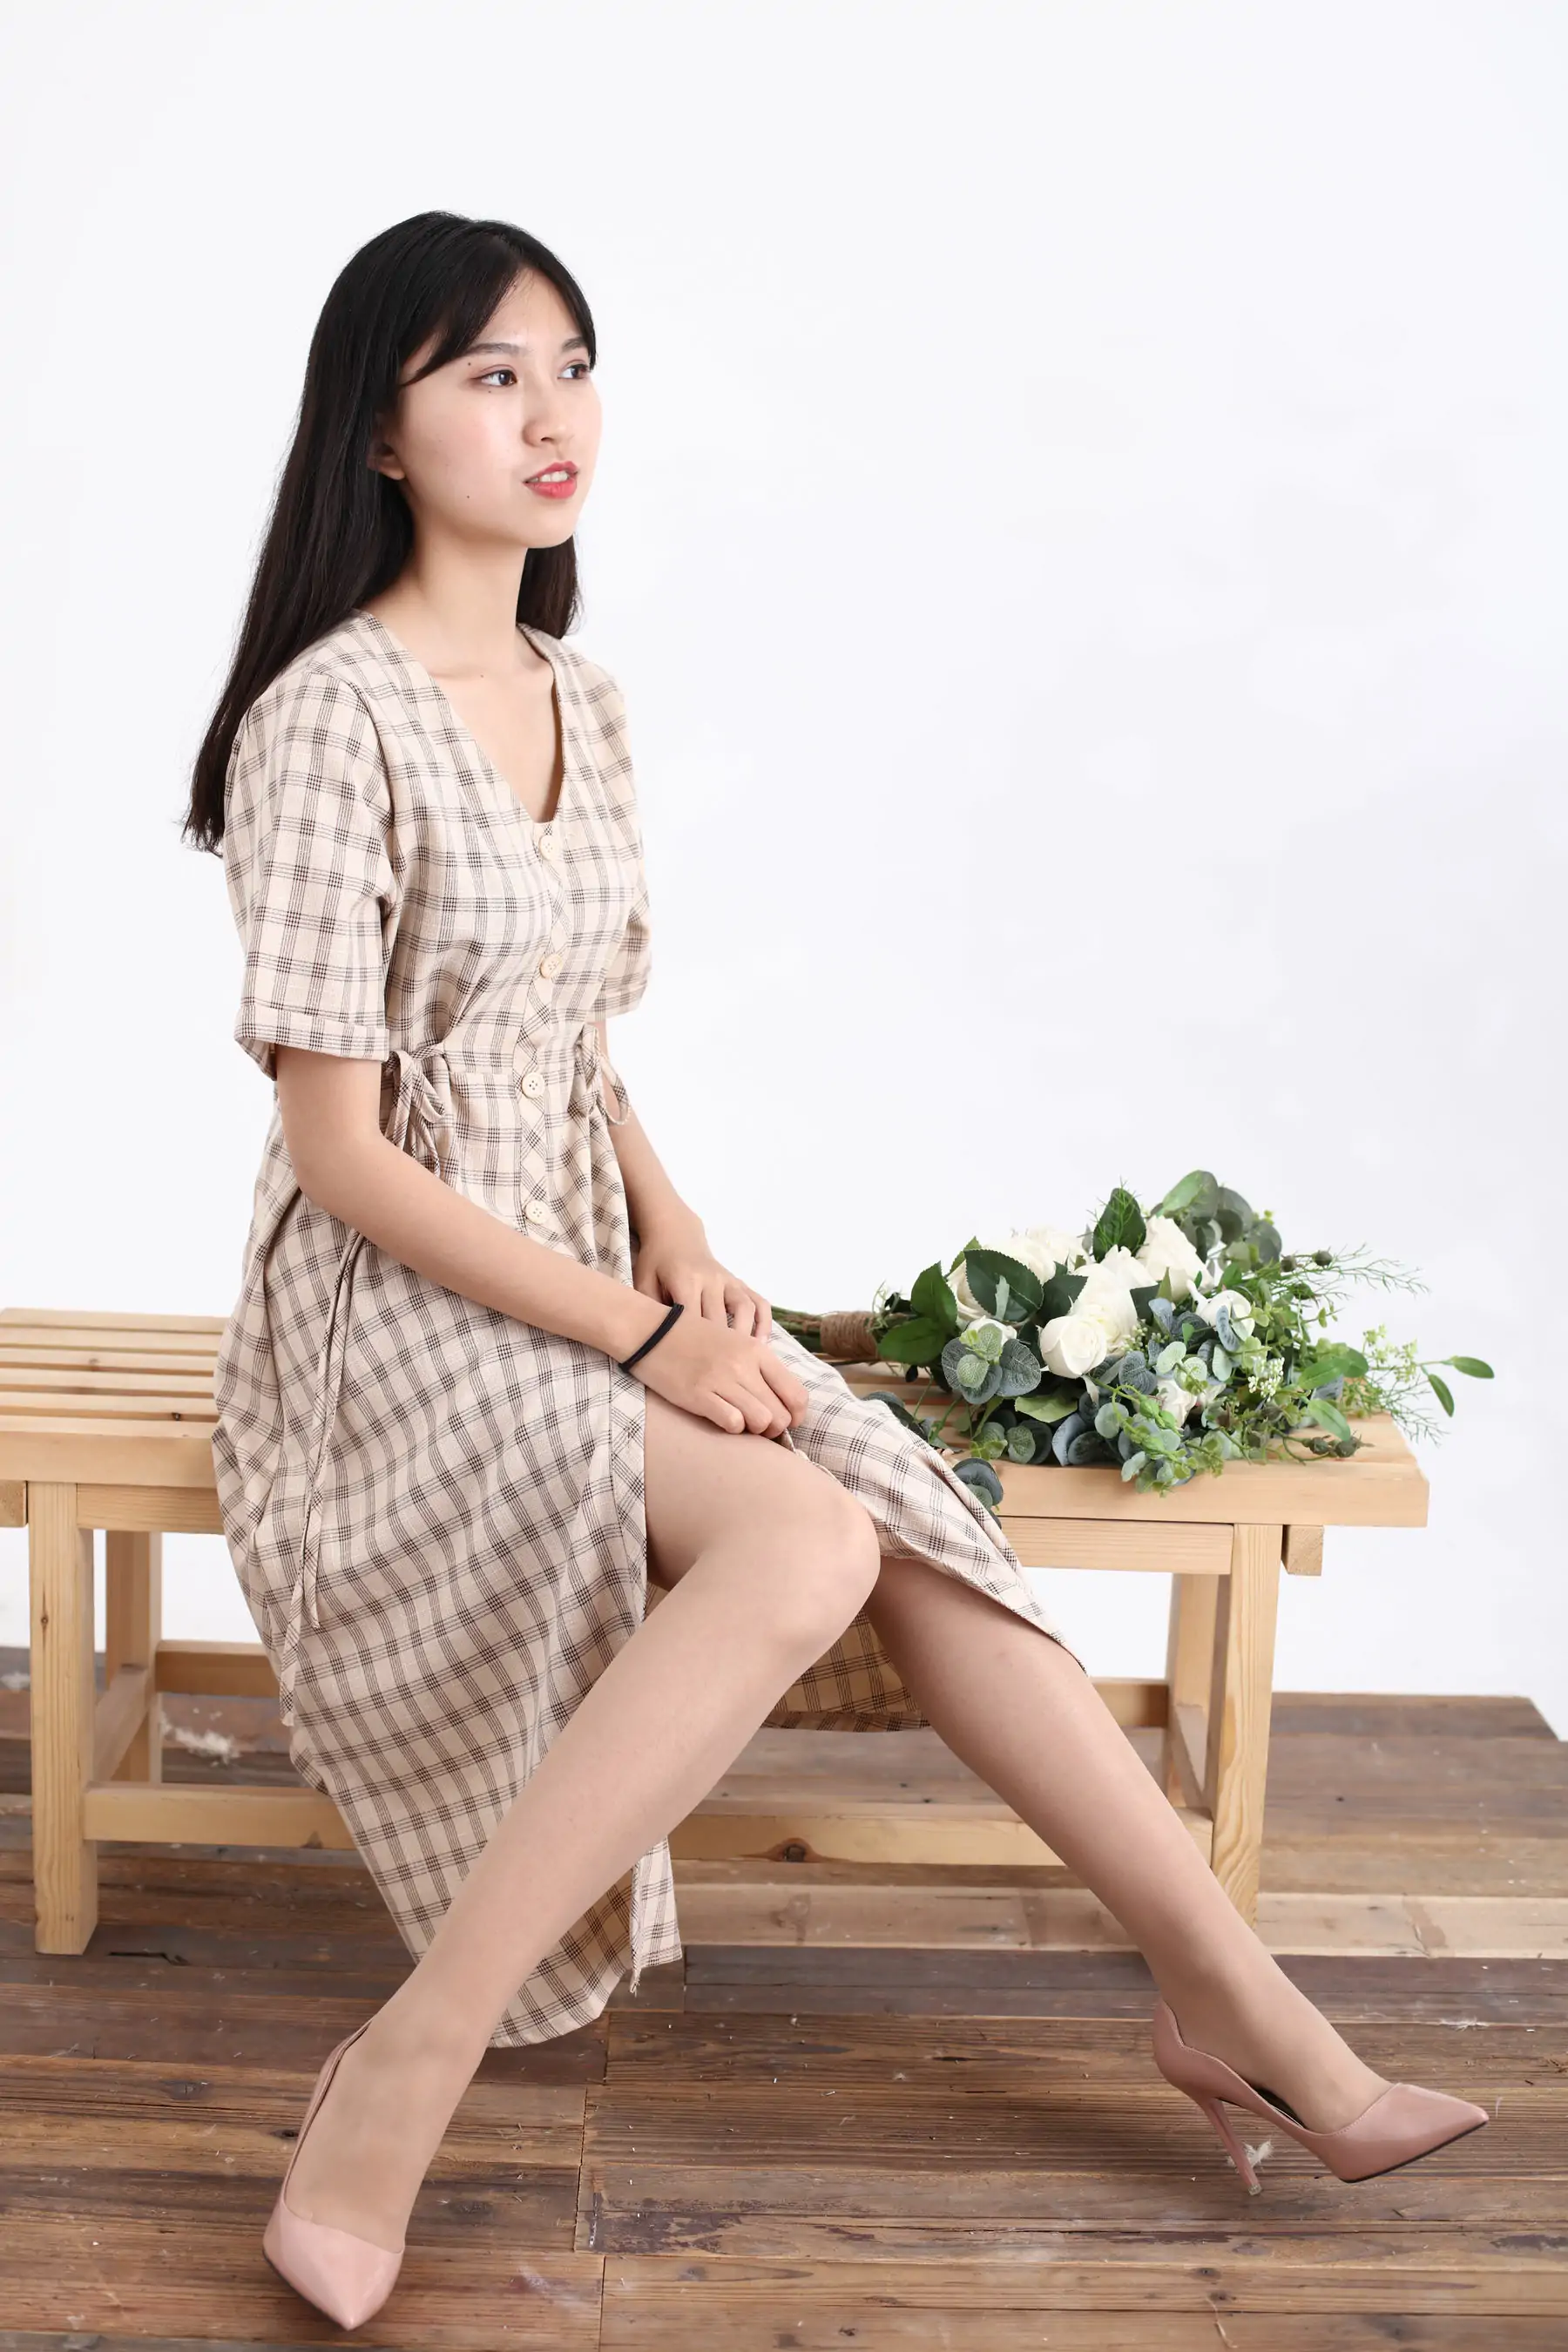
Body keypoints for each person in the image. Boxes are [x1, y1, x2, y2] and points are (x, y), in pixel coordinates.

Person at [184, 210, 1487, 2329]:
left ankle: (1235, 1996)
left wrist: (685, 1248)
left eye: (572, 365)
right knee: (801, 1537)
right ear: (382, 435)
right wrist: (639, 1334)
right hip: (389, 1319)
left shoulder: (583, 700)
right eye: (490, 374)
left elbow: (569, 1052)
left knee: (886, 1502)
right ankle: (410, 2060)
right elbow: (343, 1156)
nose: (551, 413)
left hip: (585, 1266)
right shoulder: (329, 720)